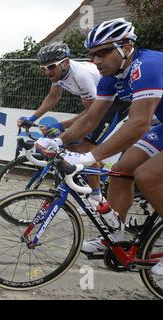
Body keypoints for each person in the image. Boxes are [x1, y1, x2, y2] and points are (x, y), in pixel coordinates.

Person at [34, 18, 163, 275]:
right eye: (93, 54)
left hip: (151, 123)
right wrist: (59, 140)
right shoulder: (110, 77)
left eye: (103, 52)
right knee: (120, 170)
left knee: (147, 175)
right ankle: (116, 236)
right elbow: (92, 118)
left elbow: (139, 123)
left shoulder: (146, 65)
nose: (97, 61)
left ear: (126, 47)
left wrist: (90, 156)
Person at [18, 42, 129, 206]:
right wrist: (32, 118)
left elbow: (93, 112)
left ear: (65, 63)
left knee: (85, 148)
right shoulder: (59, 74)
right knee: (70, 145)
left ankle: (97, 198)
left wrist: (62, 126)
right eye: (43, 68)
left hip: (115, 104)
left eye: (50, 67)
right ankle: (100, 173)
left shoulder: (81, 75)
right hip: (99, 104)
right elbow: (53, 97)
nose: (47, 72)